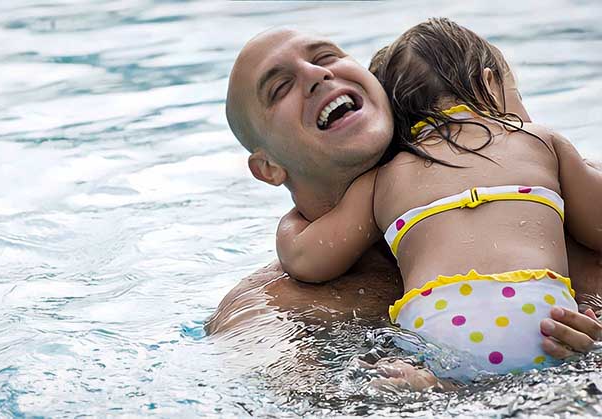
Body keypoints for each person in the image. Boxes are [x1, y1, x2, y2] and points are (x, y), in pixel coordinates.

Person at [207, 26, 602, 387]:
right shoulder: (272, 307)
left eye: (326, 57)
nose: (316, 75)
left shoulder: (562, 216)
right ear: (269, 168)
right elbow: (292, 399)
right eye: (280, 87)